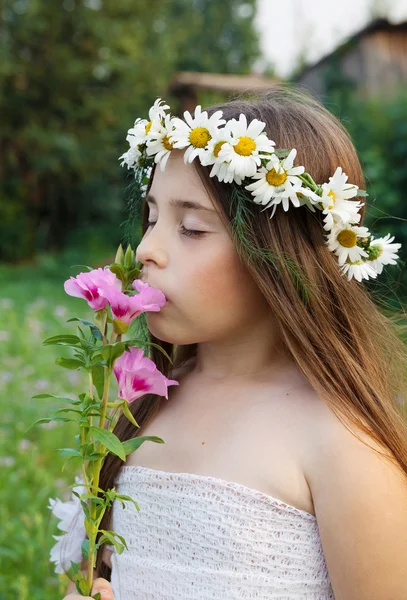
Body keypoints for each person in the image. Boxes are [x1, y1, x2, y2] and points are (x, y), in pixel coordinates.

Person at [60, 85, 407, 599]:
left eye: (192, 228)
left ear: (281, 254)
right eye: (152, 218)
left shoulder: (340, 444)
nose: (146, 250)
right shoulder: (146, 400)